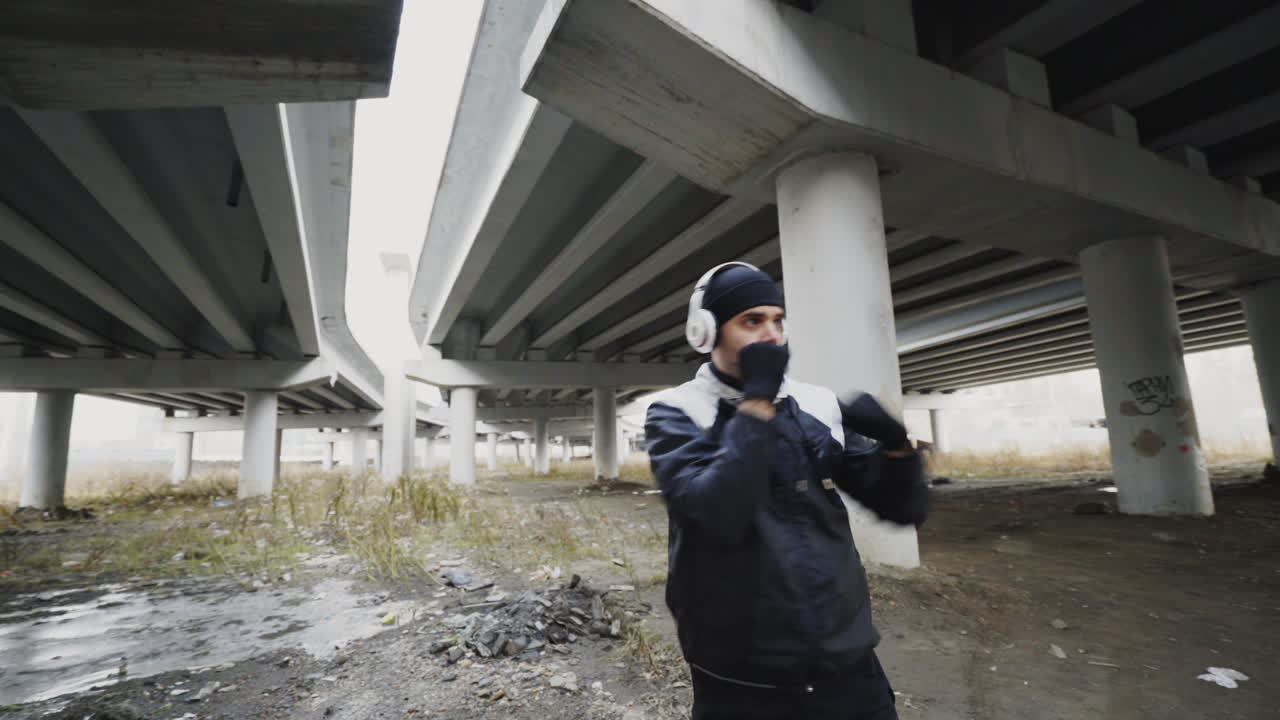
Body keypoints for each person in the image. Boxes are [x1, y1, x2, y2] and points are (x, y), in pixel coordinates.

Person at [644, 262, 929, 720]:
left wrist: (897, 446)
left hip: (846, 663)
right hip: (740, 675)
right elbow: (716, 512)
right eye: (752, 321)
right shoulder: (678, 412)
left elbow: (903, 509)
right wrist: (757, 403)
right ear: (706, 330)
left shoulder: (816, 405)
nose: (772, 335)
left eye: (778, 320)